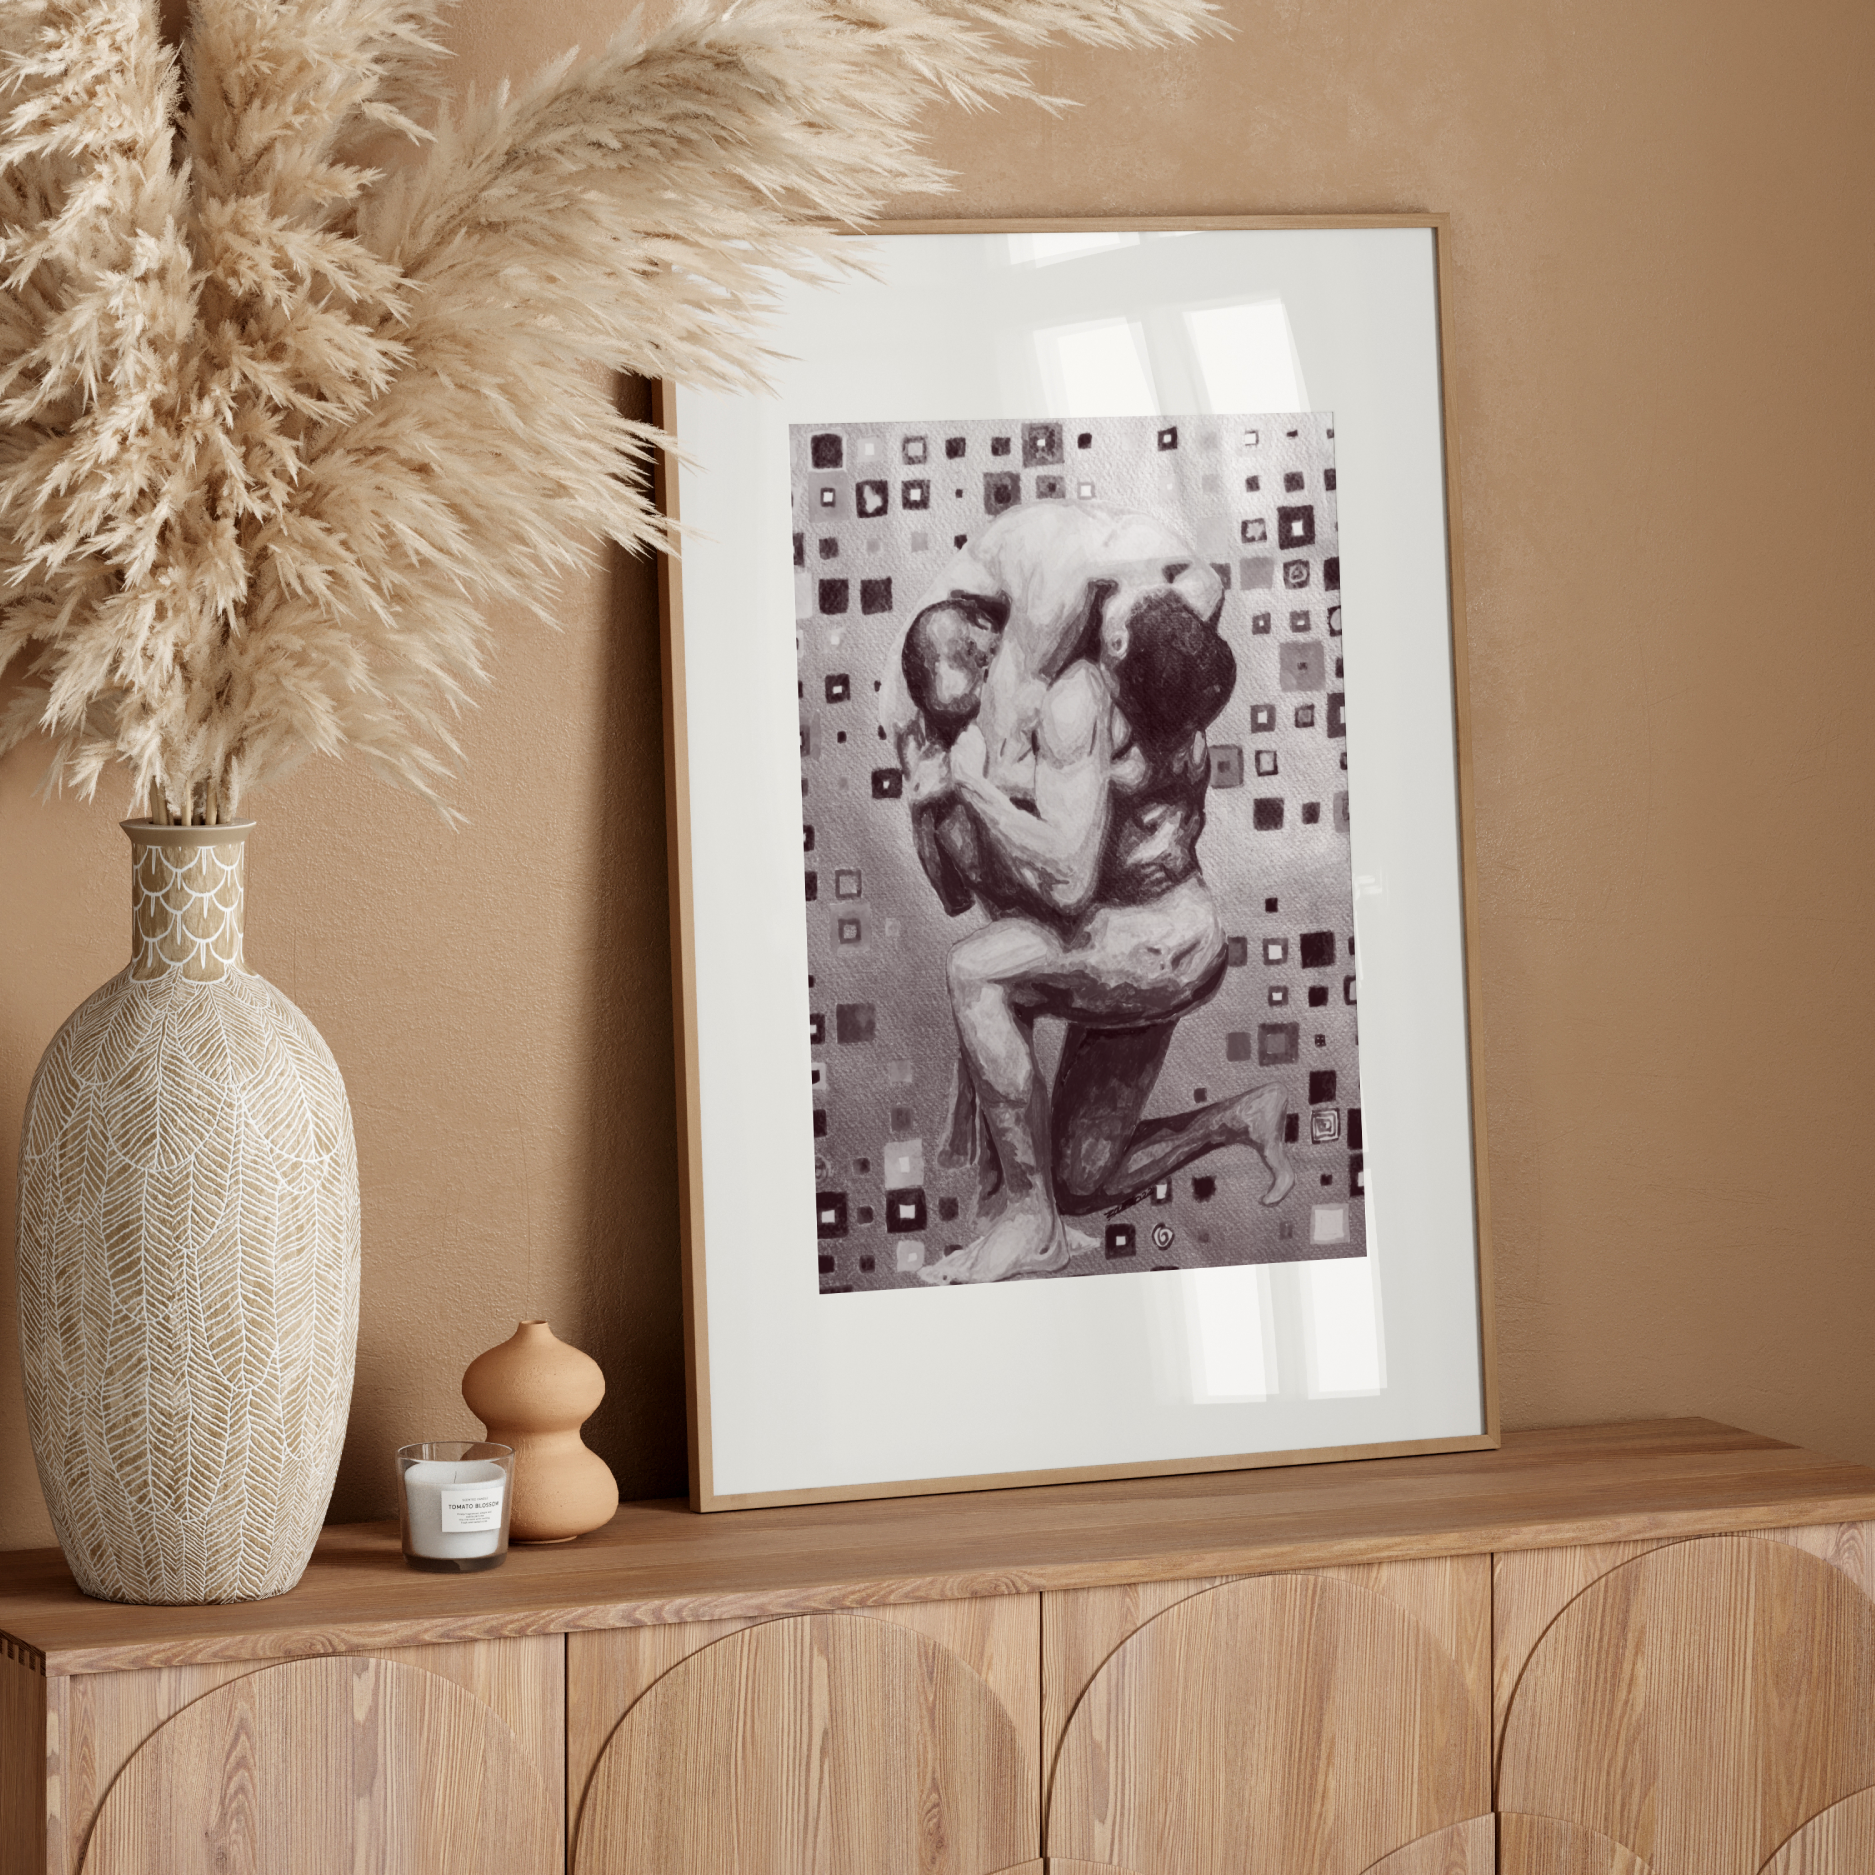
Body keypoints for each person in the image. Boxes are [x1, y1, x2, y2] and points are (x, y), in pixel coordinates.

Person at [900, 579, 1293, 1286]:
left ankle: (1029, 1220)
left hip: (1152, 939)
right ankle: (1239, 1118)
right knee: (1083, 1177)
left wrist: (979, 790)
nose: (979, 708)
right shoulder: (1161, 669)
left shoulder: (1077, 698)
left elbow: (1069, 884)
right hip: (1147, 944)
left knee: (975, 971)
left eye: (985, 678)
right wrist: (927, 807)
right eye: (957, 706)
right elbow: (957, 894)